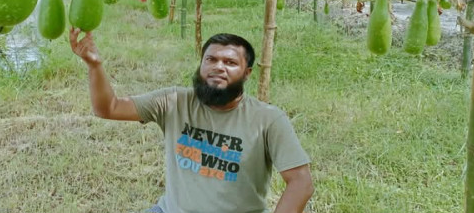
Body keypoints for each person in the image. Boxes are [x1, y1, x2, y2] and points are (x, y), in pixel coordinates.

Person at [69, 29, 314, 213]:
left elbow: (301, 182)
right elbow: (108, 108)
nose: (218, 67)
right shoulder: (175, 101)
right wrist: (94, 65)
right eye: (211, 59)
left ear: (247, 73)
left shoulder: (268, 119)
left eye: (230, 63)